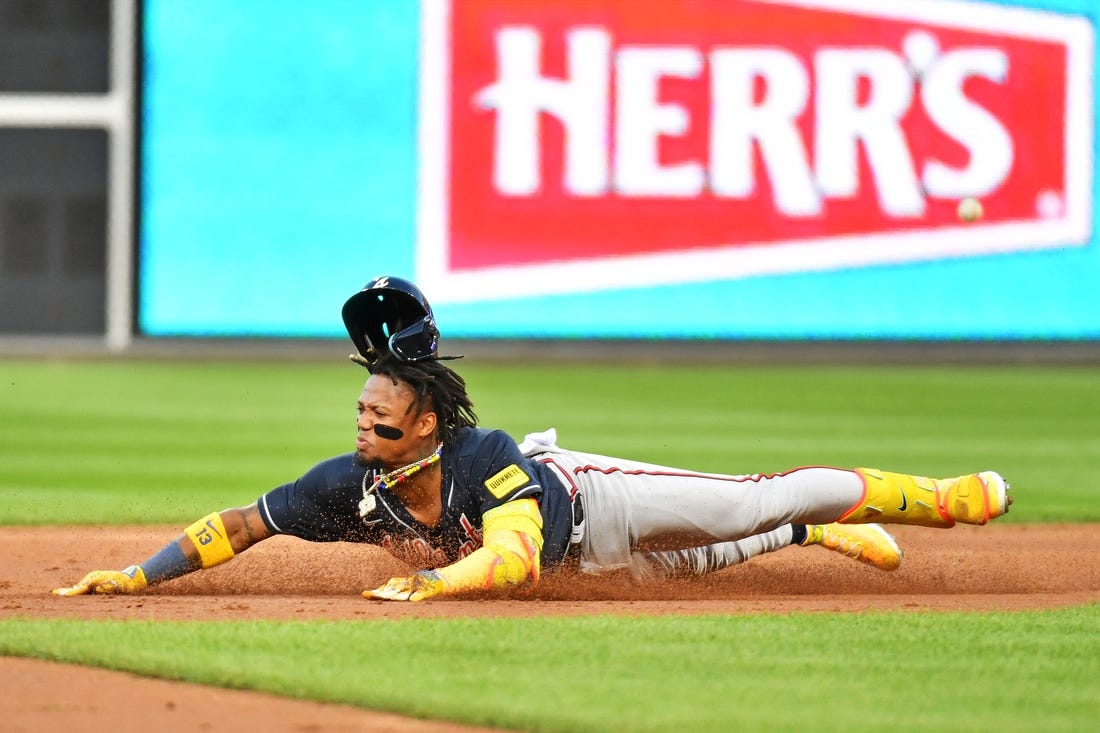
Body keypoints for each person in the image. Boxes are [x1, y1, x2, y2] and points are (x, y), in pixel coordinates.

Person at [53, 277, 1010, 601]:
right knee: (695, 566)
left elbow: (511, 561)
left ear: (426, 423)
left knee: (751, 501)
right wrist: (139, 574)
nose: (361, 424)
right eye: (359, 413)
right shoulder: (351, 485)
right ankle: (813, 534)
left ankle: (937, 497)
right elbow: (240, 526)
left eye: (379, 415)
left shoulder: (485, 458)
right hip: (590, 564)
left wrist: (431, 581)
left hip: (596, 498)